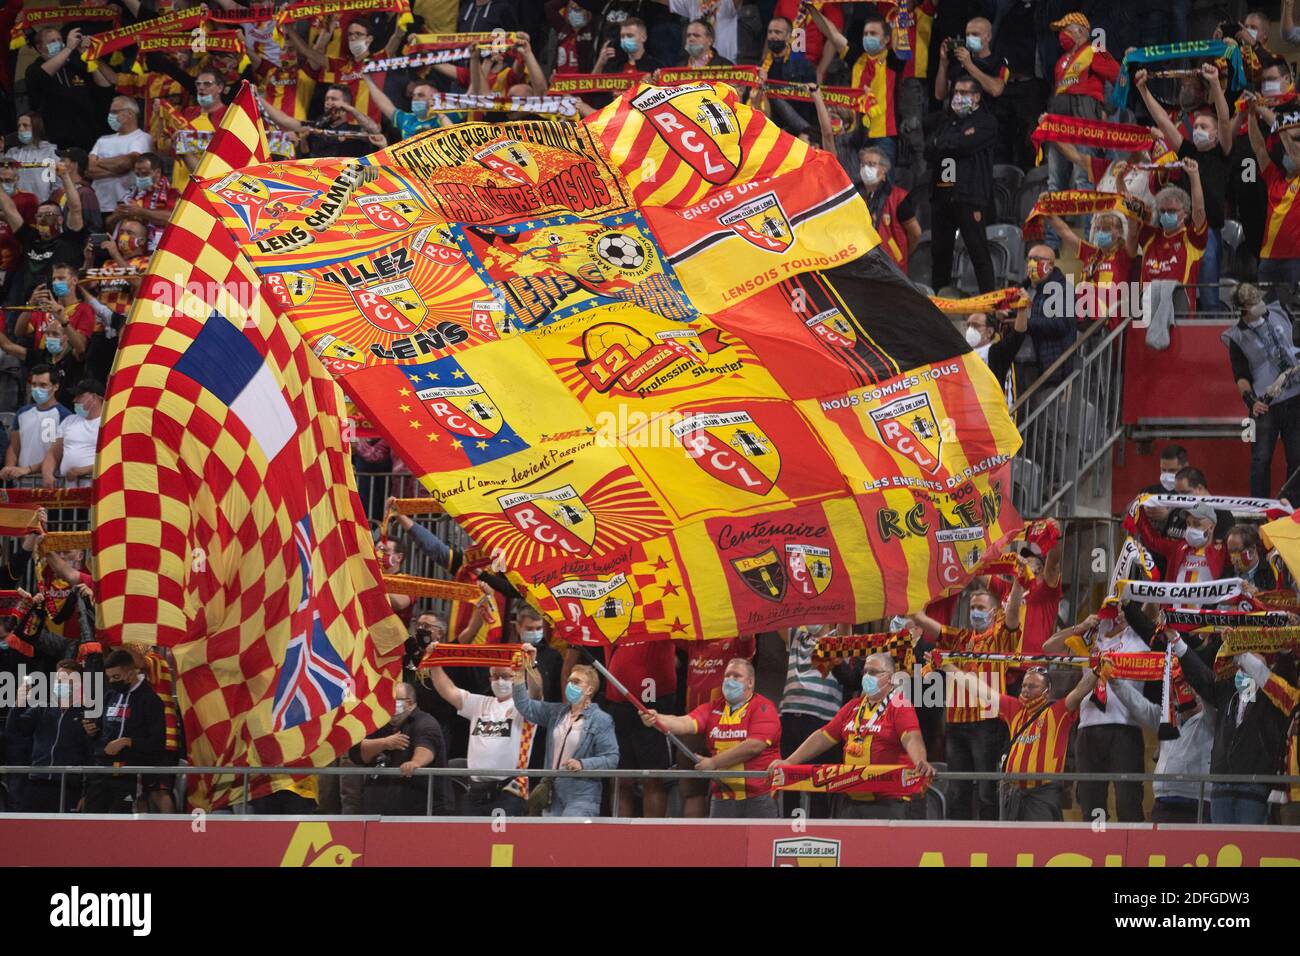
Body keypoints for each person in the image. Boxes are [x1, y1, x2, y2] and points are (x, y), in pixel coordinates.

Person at [771, 652, 934, 819]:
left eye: (873, 672)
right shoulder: (852, 707)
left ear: (891, 678)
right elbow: (822, 737)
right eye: (865, 672)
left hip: (890, 802)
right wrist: (789, 761)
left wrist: (919, 761)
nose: (867, 677)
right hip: (852, 802)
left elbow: (911, 737)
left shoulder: (900, 706)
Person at [912, 581, 1024, 820]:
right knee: (957, 789)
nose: (975, 612)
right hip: (955, 723)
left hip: (987, 721)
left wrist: (1018, 582)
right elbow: (922, 620)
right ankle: (957, 839)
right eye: (972, 606)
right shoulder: (960, 637)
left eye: (981, 607)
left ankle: (989, 839)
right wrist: (911, 593)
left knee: (986, 789)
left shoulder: (1001, 636)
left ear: (994, 611)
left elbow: (1013, 613)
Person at [943, 662, 1098, 821]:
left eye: (1032, 686)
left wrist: (1097, 670)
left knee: (1041, 843)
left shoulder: (1058, 712)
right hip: (1013, 793)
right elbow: (979, 689)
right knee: (1011, 844)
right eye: (1024, 685)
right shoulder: (1015, 708)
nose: (1025, 690)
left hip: (1043, 794)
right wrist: (947, 666)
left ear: (1047, 692)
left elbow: (1080, 691)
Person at [1135, 65, 1231, 312]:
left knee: (1209, 300)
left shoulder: (1222, 151)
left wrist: (1215, 84)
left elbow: (1222, 117)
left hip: (1208, 233)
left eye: (1203, 127)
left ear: (1217, 134)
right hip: (1181, 230)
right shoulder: (1187, 150)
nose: (1197, 130)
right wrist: (1143, 90)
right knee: (1177, 298)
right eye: (1195, 126)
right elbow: (1163, 122)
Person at [1044, 602, 1151, 822]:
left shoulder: (1139, 636)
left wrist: (1137, 615)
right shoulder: (1092, 637)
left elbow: (1154, 609)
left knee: (1127, 801)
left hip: (1125, 727)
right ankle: (1096, 849)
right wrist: (1079, 627)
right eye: (1112, 609)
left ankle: (1130, 854)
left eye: (1122, 609)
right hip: (1088, 728)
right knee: (1091, 803)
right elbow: (1048, 647)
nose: (1117, 615)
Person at [641, 658, 781, 818]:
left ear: (750, 682)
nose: (730, 680)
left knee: (759, 843)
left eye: (736, 676)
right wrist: (657, 719)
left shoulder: (764, 708)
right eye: (727, 676)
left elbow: (754, 746)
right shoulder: (713, 708)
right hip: (722, 797)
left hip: (760, 796)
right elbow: (684, 722)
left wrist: (713, 763)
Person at [1177, 641, 1298, 825]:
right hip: (1220, 788)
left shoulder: (1274, 702)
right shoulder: (1227, 695)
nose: (1243, 670)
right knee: (1219, 849)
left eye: (1250, 667)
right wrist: (1177, 641)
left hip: (1253, 788)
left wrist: (1285, 644)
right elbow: (1199, 675)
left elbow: (1286, 673)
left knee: (1251, 850)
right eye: (1240, 666)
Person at [1106, 632, 1215, 823]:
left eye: (1185, 688)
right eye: (1177, 688)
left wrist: (1188, 666)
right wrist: (1113, 679)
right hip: (1163, 802)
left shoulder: (1210, 718)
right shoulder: (1167, 718)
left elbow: (1206, 687)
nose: (1180, 693)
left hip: (1196, 803)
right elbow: (1137, 704)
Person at [1042, 12, 1119, 248]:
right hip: (1059, 127)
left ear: (1083, 32)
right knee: (1055, 185)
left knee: (1083, 183)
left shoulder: (1094, 52)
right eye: (1060, 30)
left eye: (1067, 29)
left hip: (1084, 126)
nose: (1062, 35)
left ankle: (1090, 239)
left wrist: (1107, 109)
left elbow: (1118, 77)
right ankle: (1051, 244)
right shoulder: (1061, 61)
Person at [510, 650, 619, 818]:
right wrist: (519, 674)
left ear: (589, 690)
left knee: (571, 841)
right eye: (569, 681)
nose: (570, 685)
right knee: (552, 843)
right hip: (552, 793)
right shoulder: (557, 713)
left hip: (582, 796)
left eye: (576, 682)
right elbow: (526, 707)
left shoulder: (601, 720)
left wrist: (583, 764)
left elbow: (612, 758)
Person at [426, 660, 537, 815]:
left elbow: (537, 693)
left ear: (516, 678)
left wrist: (531, 666)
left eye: (505, 676)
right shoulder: (480, 704)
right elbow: (449, 691)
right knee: (468, 838)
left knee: (502, 839)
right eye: (495, 676)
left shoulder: (524, 707)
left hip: (510, 789)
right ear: (489, 679)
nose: (500, 681)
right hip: (475, 791)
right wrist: (434, 663)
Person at [1223, 282, 1300, 498]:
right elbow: (1241, 376)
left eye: (1258, 300)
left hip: (1295, 398)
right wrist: (1251, 401)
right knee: (1260, 459)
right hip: (1265, 404)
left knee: (1297, 457)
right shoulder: (1237, 338)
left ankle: (1293, 506)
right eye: (1253, 303)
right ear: (1243, 309)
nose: (1259, 304)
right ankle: (1259, 508)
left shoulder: (1278, 311)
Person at [926, 76, 998, 294]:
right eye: (956, 92)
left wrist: (945, 144)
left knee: (978, 252)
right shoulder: (945, 121)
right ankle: (940, 300)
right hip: (943, 193)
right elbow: (929, 150)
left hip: (970, 195)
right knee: (940, 252)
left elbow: (965, 146)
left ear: (976, 97)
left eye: (964, 93)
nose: (958, 97)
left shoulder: (986, 122)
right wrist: (950, 143)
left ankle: (988, 304)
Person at [82, 648, 168, 813]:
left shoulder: (151, 701)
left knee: (119, 827)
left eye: (116, 677)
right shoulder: (110, 696)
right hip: (101, 773)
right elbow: (100, 731)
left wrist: (127, 742)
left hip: (130, 776)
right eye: (109, 677)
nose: (112, 681)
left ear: (131, 674)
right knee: (90, 823)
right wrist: (92, 731)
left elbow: (157, 743)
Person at [350, 682, 449, 815]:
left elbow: (426, 748)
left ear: (409, 703)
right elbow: (357, 753)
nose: (387, 704)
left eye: (393, 700)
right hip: (378, 810)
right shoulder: (381, 723)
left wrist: (415, 763)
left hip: (419, 812)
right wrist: (384, 743)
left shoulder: (425, 723)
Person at [777, 622, 845, 817]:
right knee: (790, 781)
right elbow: (777, 616)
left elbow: (847, 622)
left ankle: (819, 832)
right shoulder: (798, 636)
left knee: (819, 785)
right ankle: (791, 831)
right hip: (790, 718)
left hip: (823, 722)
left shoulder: (837, 638)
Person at [7, 659, 92, 812]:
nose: (60, 684)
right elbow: (14, 730)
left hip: (69, 786)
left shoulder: (86, 714)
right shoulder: (41, 709)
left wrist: (86, 794)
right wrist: (18, 705)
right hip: (36, 783)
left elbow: (91, 756)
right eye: (58, 680)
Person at [1045, 210, 1141, 327]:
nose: (1100, 232)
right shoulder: (1091, 253)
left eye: (1105, 229)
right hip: (1084, 321)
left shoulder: (1124, 255)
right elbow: (1064, 232)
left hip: (1108, 325)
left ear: (1120, 232)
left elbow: (1133, 234)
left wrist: (1132, 212)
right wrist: (1049, 213)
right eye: (1098, 228)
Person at [1245, 96, 1300, 290]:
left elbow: (1296, 156)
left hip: (1296, 259)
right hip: (1268, 258)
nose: (1289, 149)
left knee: (1295, 315)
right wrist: (1251, 113)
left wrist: (1263, 110)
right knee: (1267, 312)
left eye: (1297, 141)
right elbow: (1259, 147)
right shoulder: (1274, 177)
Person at [1137, 164, 1209, 312]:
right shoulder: (1150, 236)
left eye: (1171, 211)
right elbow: (1130, 209)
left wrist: (1194, 175)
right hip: (1146, 314)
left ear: (1186, 213)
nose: (1166, 215)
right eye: (1162, 211)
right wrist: (1120, 180)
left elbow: (1199, 210)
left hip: (1179, 316)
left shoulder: (1193, 239)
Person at [24, 27, 101, 153]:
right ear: (39, 47)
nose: (57, 43)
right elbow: (43, 74)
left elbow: (102, 85)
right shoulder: (34, 70)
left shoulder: (74, 64)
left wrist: (87, 54)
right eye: (52, 41)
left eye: (59, 40)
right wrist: (69, 48)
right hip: (54, 138)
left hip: (86, 133)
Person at [259, 84, 381, 160]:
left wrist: (349, 109)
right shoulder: (314, 127)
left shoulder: (356, 130)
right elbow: (284, 120)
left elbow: (374, 129)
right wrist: (258, 98)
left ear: (346, 103)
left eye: (333, 99)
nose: (328, 102)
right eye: (326, 99)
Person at [1019, 244, 1077, 388]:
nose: (1032, 263)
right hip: (1018, 362)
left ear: (1050, 265)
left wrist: (1025, 323)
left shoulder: (1065, 290)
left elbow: (1061, 324)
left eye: (1037, 259)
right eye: (1030, 258)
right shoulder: (1020, 289)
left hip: (1046, 366)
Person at [1, 365, 71, 481]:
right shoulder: (22, 413)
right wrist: (10, 467)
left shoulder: (65, 416)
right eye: (34, 385)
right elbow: (14, 447)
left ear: (55, 387)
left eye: (43, 385)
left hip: (49, 481)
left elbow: (58, 455)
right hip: (21, 480)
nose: (37, 389)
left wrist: (28, 469)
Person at [857, 147, 919, 272]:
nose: (866, 168)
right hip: (861, 265)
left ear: (884, 170)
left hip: (890, 268)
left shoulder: (898, 198)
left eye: (871, 164)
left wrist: (900, 253)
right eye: (863, 164)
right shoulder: (854, 196)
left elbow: (915, 233)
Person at [87, 96, 153, 215]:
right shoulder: (103, 140)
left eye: (114, 112)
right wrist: (118, 170)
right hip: (98, 205)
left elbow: (126, 163)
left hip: (124, 206)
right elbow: (88, 169)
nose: (110, 116)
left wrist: (98, 161)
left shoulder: (142, 138)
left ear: (130, 114)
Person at [105, 153, 177, 252]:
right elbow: (108, 223)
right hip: (128, 252)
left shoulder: (171, 192)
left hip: (158, 251)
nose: (140, 178)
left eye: (145, 173)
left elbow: (173, 219)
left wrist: (140, 212)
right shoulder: (131, 193)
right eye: (137, 174)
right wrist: (118, 215)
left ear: (157, 172)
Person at [41, 377, 102, 489]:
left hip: (96, 492)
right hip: (68, 494)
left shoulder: (109, 423)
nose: (74, 400)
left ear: (93, 397)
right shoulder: (69, 421)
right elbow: (53, 454)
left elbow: (113, 460)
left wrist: (83, 470)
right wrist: (47, 474)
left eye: (79, 396)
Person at [934, 16, 1008, 103]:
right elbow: (940, 95)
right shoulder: (959, 59)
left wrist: (969, 65)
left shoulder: (999, 62)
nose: (970, 38)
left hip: (984, 114)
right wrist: (943, 63)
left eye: (975, 34)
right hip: (956, 114)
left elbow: (996, 90)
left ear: (988, 37)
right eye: (967, 34)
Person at [361, 75, 445, 140]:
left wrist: (439, 111)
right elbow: (384, 104)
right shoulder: (407, 119)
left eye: (420, 95)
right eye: (413, 95)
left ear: (434, 99)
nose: (415, 99)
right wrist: (368, 79)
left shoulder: (445, 118)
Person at [966, 309, 1027, 390]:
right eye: (968, 325)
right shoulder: (962, 353)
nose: (970, 330)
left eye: (975, 325)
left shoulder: (997, 352)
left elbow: (1018, 334)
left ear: (989, 332)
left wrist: (1022, 310)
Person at [5, 113, 59, 203]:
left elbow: (57, 183)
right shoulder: (12, 153)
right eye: (19, 126)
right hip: (16, 206)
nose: (21, 129)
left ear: (36, 127)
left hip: (42, 206)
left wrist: (50, 204)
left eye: (25, 125)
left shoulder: (50, 152)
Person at [666, 5, 738, 64]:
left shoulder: (725, 66)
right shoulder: (679, 68)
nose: (691, 39)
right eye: (688, 35)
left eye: (696, 35)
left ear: (709, 40)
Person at [595, 16, 664, 75]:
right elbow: (591, 87)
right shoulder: (615, 66)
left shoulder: (656, 67)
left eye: (630, 36)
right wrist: (600, 63)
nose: (625, 39)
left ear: (644, 37)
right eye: (622, 36)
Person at [1225, 523, 1278, 590]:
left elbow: (1275, 597)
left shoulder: (1270, 573)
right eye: (1230, 552)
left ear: (1251, 551)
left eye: (1236, 551)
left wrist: (1258, 593)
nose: (1233, 556)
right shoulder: (1226, 575)